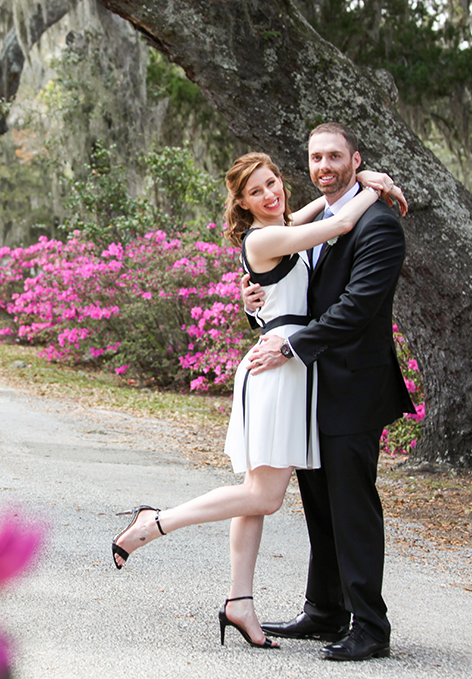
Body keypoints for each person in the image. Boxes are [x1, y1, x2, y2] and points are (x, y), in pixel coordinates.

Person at [109, 150, 405, 651]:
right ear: (242, 205)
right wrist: (374, 184)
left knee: (254, 490)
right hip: (277, 371)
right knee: (264, 496)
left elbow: (313, 212)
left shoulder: (280, 225)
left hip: (286, 366)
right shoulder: (267, 236)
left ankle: (239, 602)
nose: (271, 194)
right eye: (256, 191)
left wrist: (354, 180)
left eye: (273, 183)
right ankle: (154, 523)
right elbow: (340, 219)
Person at [245, 122, 411, 662]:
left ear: (354, 159)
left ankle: (371, 626)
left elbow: (356, 310)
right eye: (316, 158)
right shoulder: (312, 218)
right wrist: (255, 301)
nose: (324, 166)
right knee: (319, 504)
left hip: (353, 388)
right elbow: (289, 290)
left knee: (353, 506)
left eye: (335, 157)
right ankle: (325, 610)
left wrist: (290, 349)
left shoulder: (379, 226)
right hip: (311, 388)